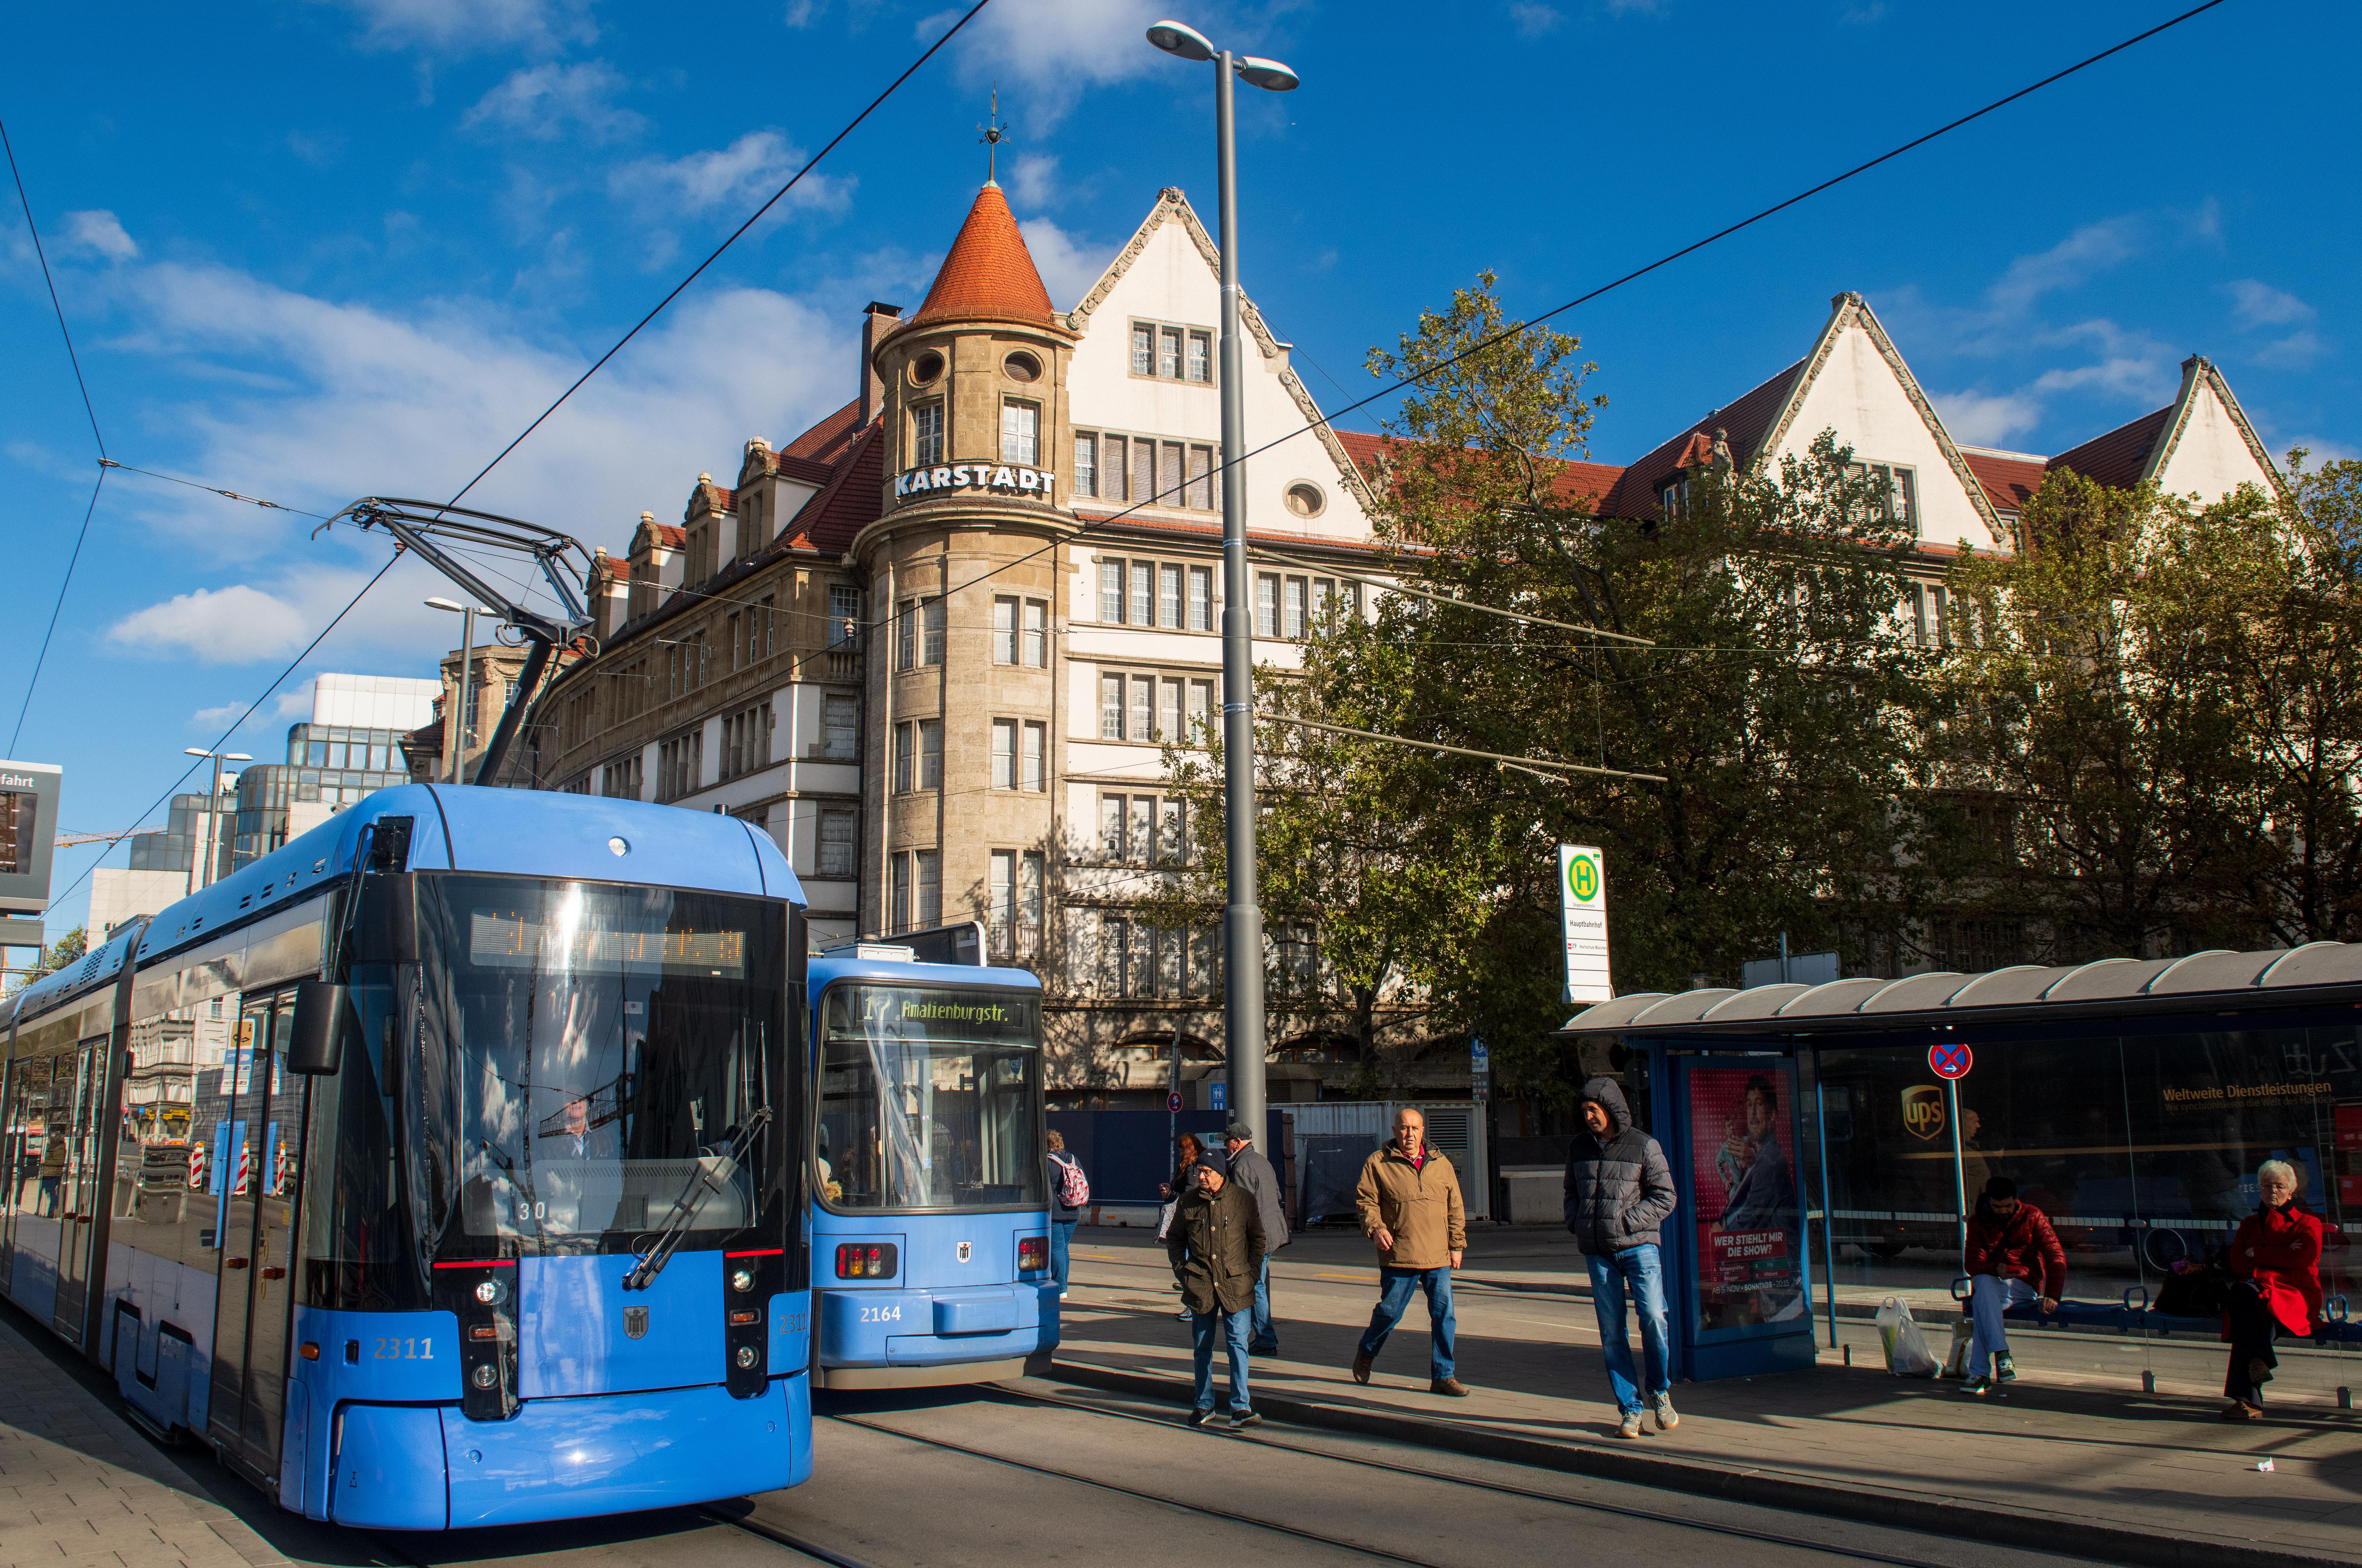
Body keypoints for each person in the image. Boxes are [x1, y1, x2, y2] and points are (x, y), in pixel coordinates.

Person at [1563, 1076, 1678, 1438]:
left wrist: (1626, 1222)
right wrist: (1577, 1223)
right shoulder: (1578, 1147)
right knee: (1612, 1333)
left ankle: (1659, 1390)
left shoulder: (1643, 1145)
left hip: (1638, 1247)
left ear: (1611, 1108)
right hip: (1598, 1252)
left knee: (1654, 1318)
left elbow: (1665, 1196)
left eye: (1593, 1110)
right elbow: (1570, 1192)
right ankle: (1630, 1409)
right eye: (1584, 1111)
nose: (1589, 1117)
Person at [1351, 1107, 1469, 1397]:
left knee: (1445, 1315)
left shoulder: (1440, 1163)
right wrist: (1376, 1228)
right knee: (1390, 1312)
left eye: (1415, 1128)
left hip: (1437, 1255)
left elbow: (1455, 1206)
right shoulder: (1378, 1163)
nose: (1410, 1134)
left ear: (1423, 1132)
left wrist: (1457, 1244)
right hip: (1399, 1253)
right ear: (1394, 1131)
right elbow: (1366, 1202)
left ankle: (1443, 1376)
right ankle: (1367, 1351)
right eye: (1404, 1128)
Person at [2221, 1158, 2323, 1421]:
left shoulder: (2307, 1223)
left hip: (2294, 1294)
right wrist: (2281, 1255)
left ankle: (2248, 1401)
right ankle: (2260, 1359)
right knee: (2245, 1297)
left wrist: (2258, 1253)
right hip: (2258, 1293)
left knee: (2246, 1312)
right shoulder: (2249, 1224)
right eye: (2267, 1186)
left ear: (2291, 1190)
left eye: (2279, 1185)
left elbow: (2302, 1259)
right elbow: (2237, 1262)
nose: (2273, 1191)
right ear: (2259, 1189)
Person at [1167, 1162, 1266, 1429]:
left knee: (1238, 1344)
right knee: (1202, 1347)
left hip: (1236, 1284)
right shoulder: (1188, 1201)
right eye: (1199, 1171)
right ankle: (1204, 1404)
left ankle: (1240, 1407)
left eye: (1207, 1172)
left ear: (1221, 1174)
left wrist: (1252, 1274)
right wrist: (1183, 1272)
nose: (1201, 1176)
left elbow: (1258, 1239)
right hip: (1201, 1285)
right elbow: (1175, 1238)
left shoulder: (1242, 1199)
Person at [1959, 1174, 2066, 1395]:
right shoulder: (1978, 1222)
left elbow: (2055, 1255)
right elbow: (1972, 1263)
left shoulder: (2032, 1215)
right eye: (1998, 1206)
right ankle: (2001, 1354)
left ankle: (1980, 1373)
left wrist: (2053, 1294)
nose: (2003, 1211)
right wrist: (1995, 1268)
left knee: (1982, 1299)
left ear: (2015, 1200)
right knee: (1983, 1284)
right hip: (1994, 1282)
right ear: (1989, 1201)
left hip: (2023, 1282)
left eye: (2008, 1205)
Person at [1223, 1120, 1287, 1355]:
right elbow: (1277, 1195)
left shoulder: (1241, 1167)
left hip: (1257, 1236)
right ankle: (1264, 1337)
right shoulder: (1261, 1161)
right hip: (1272, 1231)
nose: (1225, 1146)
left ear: (1237, 1143)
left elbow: (1240, 1209)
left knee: (1255, 1286)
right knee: (1257, 1283)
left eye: (1227, 1141)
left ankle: (1266, 1339)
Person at [1716, 1074, 1792, 1231]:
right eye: (1750, 1105)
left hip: (1776, 1254)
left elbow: (1748, 1221)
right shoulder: (1765, 1154)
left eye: (1759, 1105)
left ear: (1772, 1115)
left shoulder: (1768, 1160)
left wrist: (1721, 1235)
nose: (1753, 1113)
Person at [1162, 1133, 1209, 1318]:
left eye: (1183, 1148)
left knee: (1187, 1260)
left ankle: (1193, 1303)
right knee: (1181, 1258)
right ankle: (1190, 1292)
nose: (1180, 1151)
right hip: (1184, 1220)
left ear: (1190, 1148)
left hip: (1190, 1221)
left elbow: (1191, 1192)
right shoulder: (1186, 1166)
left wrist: (1173, 1195)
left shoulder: (1194, 1167)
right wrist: (1171, 1190)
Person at [1045, 1130, 1086, 1299]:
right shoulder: (1073, 1159)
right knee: (1064, 1249)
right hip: (1074, 1210)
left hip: (1056, 1213)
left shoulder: (1047, 1162)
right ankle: (1064, 1285)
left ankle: (1060, 1288)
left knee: (1056, 1249)